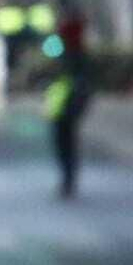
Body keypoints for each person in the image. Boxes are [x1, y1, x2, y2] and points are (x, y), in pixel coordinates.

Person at [44, 61, 92, 200]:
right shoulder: (60, 82)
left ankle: (68, 181)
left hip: (66, 121)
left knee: (67, 151)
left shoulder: (71, 82)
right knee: (63, 151)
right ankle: (67, 181)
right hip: (58, 120)